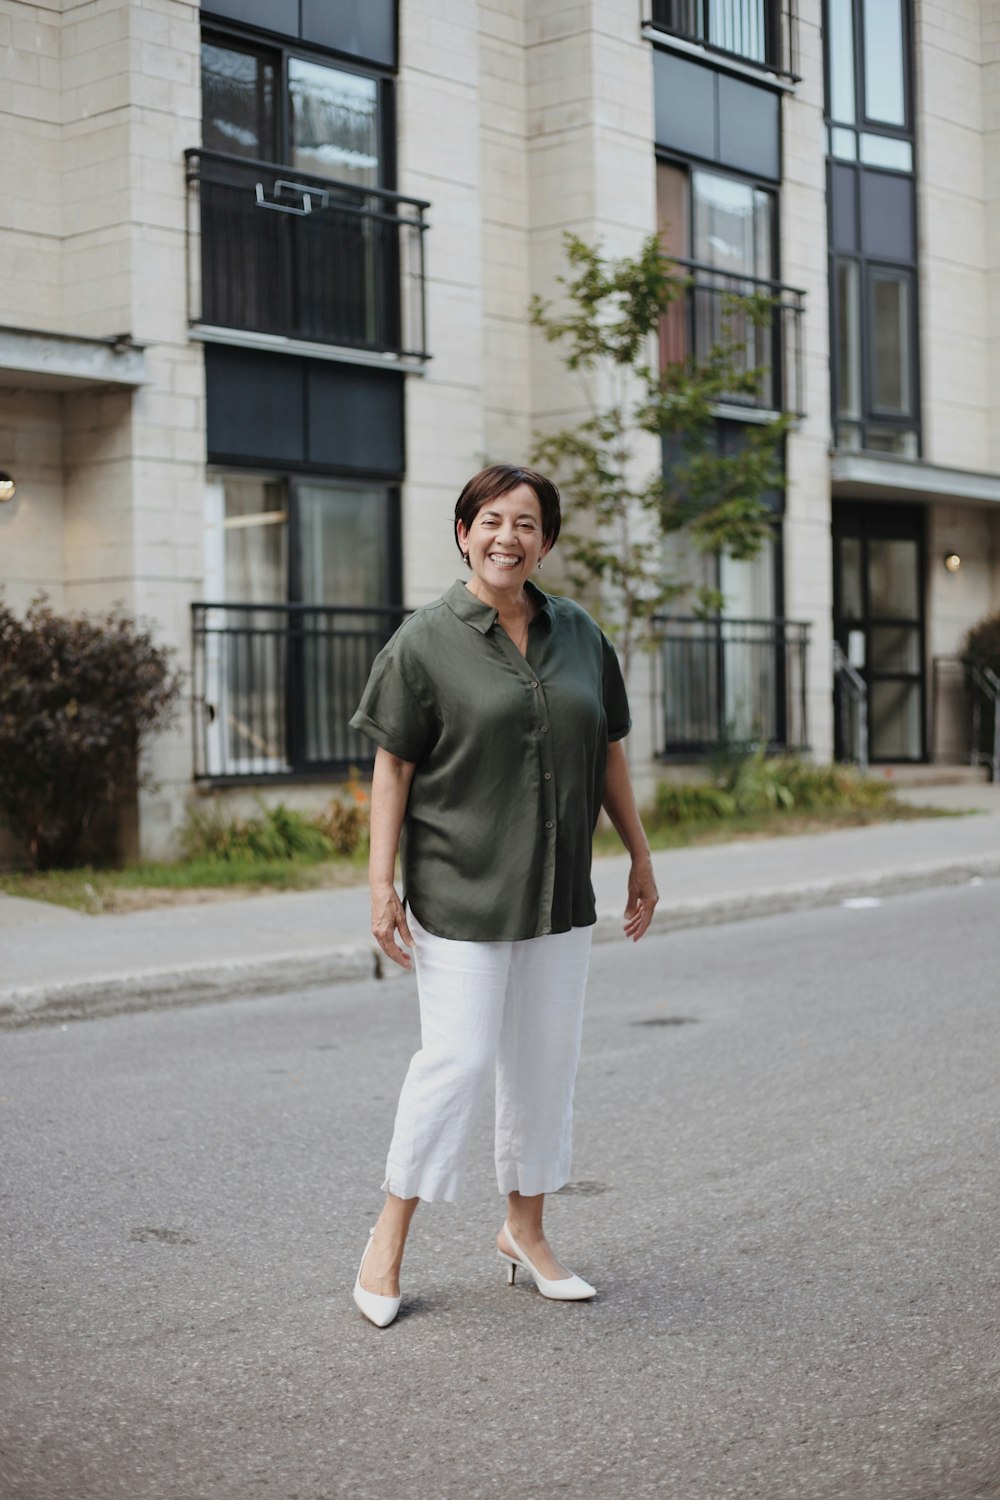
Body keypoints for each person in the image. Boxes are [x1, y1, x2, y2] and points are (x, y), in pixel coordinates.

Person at [348, 463, 658, 1327]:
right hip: (462, 890)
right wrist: (381, 885)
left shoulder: (581, 635)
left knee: (545, 1063)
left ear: (546, 542)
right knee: (456, 1063)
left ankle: (525, 1232)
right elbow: (393, 768)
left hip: (559, 892)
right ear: (462, 532)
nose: (506, 537)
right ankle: (388, 1239)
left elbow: (608, 753)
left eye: (525, 523)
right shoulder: (424, 642)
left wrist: (638, 854)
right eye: (490, 519)